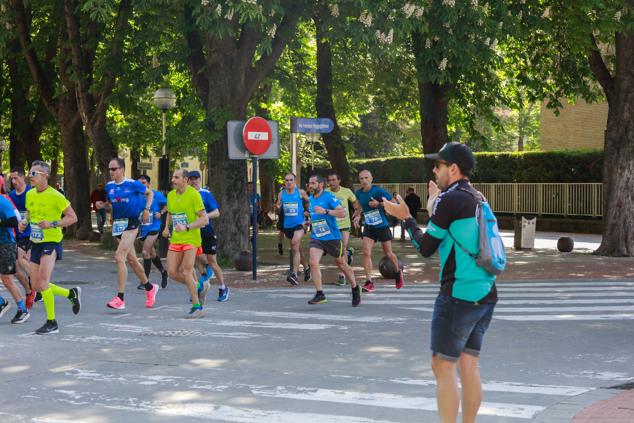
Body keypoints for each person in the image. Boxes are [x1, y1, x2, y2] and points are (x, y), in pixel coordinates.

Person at [382, 142, 497, 423]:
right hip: (485, 292)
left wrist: (406, 218)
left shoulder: (451, 199)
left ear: (453, 169)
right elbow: (455, 232)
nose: (434, 170)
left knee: (442, 366)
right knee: (469, 366)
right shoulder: (475, 196)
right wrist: (435, 203)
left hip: (458, 295)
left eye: (439, 165)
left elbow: (426, 247)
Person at [19, 160, 81, 334]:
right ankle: (71, 294)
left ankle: (51, 322)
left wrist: (53, 223)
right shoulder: (30, 194)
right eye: (30, 173)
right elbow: (30, 215)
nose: (30, 177)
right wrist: (24, 222)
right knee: (37, 285)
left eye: (34, 174)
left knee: (43, 280)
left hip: (51, 241)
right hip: (36, 242)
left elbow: (73, 217)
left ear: (45, 175)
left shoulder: (56, 195)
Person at [96, 158, 158, 310]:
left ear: (122, 169)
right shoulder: (109, 186)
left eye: (114, 169)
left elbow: (150, 194)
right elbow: (112, 204)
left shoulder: (132, 184)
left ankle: (120, 298)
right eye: (109, 169)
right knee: (132, 260)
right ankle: (150, 288)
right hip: (118, 224)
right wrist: (103, 205)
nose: (111, 172)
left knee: (119, 257)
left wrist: (147, 209)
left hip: (132, 223)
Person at [305, 174, 361, 307]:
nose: (310, 186)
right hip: (317, 237)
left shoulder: (329, 197)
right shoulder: (311, 199)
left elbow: (342, 213)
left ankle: (355, 288)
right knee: (313, 262)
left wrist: (326, 211)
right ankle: (320, 293)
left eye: (313, 183)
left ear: (321, 184)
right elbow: (315, 217)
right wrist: (307, 221)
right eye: (309, 183)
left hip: (333, 238)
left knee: (341, 264)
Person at [162, 169, 209, 317]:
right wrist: (166, 228)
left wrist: (187, 226)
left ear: (185, 180)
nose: (173, 180)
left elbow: (204, 219)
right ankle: (198, 285)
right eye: (172, 177)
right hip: (176, 238)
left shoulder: (194, 195)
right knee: (172, 273)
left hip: (191, 238)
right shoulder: (170, 195)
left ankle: (197, 306)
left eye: (176, 177)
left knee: (187, 271)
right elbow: (170, 213)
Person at [352, 170, 404, 292]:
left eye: (366, 178)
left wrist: (379, 204)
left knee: (388, 253)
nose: (364, 180)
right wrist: (357, 216)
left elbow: (394, 203)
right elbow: (360, 208)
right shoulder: (358, 193)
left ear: (371, 178)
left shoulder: (378, 191)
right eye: (361, 178)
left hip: (382, 226)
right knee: (366, 252)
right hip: (369, 227)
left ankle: (397, 273)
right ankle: (369, 282)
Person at [187, 171, 229, 302]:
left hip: (206, 232)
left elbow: (216, 212)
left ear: (200, 180)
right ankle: (202, 282)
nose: (193, 181)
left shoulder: (205, 194)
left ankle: (223, 287)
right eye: (191, 179)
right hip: (192, 232)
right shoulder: (186, 195)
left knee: (212, 262)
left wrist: (204, 217)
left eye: (195, 179)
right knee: (195, 258)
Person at [8, 168, 37, 308]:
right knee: (16, 266)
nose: (14, 181)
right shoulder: (11, 195)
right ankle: (30, 290)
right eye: (11, 179)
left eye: (16, 178)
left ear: (23, 177)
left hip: (29, 232)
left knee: (20, 258)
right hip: (15, 233)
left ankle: (37, 281)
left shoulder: (31, 193)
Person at [0, 188, 30, 323]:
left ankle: (22, 309)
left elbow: (13, 221)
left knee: (7, 279)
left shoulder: (3, 202)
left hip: (6, 244)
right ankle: (1, 302)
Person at [276, 172, 311, 286]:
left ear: (295, 181)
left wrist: (308, 212)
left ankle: (294, 275)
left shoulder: (300, 192)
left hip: (299, 224)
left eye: (291, 180)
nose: (289, 182)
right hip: (288, 225)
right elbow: (278, 209)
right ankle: (306, 268)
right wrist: (277, 208)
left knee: (295, 244)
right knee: (297, 248)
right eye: (286, 180)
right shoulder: (281, 194)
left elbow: (309, 201)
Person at [326, 171, 360, 285]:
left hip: (344, 225)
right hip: (331, 226)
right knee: (336, 251)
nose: (331, 182)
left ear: (339, 180)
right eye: (329, 180)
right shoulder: (325, 192)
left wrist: (357, 215)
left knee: (343, 248)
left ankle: (342, 276)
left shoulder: (347, 191)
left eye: (334, 180)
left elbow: (356, 205)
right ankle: (349, 255)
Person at [136, 175, 168, 289]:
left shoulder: (157, 195)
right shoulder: (137, 196)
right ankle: (164, 272)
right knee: (152, 254)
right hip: (143, 228)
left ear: (149, 184)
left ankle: (145, 282)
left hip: (154, 227)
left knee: (145, 252)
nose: (141, 185)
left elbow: (167, 205)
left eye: (143, 183)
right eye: (139, 183)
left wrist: (161, 212)